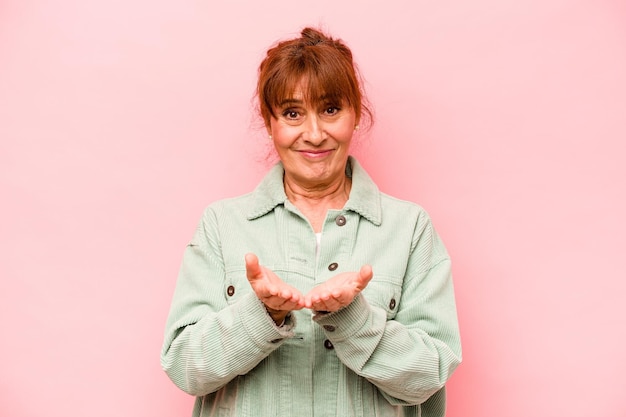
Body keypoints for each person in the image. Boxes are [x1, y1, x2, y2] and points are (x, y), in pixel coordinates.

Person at [161, 27, 461, 417]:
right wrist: (263, 314)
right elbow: (185, 368)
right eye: (291, 113)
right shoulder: (221, 224)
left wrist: (353, 318)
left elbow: (430, 376)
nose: (314, 134)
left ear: (356, 116)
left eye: (331, 109)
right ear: (270, 124)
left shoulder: (410, 229)